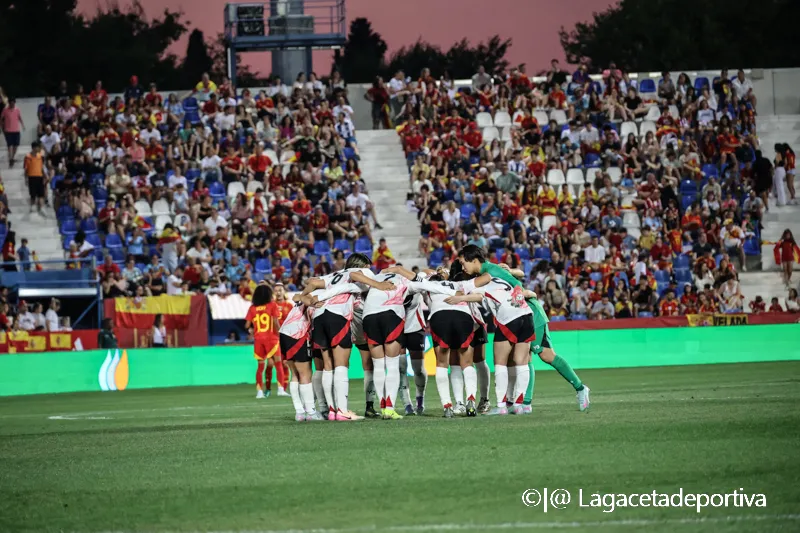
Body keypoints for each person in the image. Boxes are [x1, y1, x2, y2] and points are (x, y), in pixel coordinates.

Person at [459, 244, 590, 412]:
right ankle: (525, 403)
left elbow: (517, 282)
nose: (463, 267)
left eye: (463, 263)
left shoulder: (490, 269)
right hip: (518, 314)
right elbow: (517, 275)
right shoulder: (486, 272)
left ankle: (580, 388)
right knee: (525, 359)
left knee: (546, 355)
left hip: (531, 313)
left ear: (473, 259)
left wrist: (523, 291)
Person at [301, 253, 393, 421]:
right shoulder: (361, 274)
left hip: (321, 316)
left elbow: (311, 281)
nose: (369, 268)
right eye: (367, 266)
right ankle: (344, 410)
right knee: (344, 365)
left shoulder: (335, 275)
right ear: (362, 265)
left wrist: (303, 297)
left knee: (328, 365)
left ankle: (329, 409)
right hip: (343, 318)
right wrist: (379, 285)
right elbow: (355, 275)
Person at [279, 281, 363, 421]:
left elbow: (297, 297)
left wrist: (302, 297)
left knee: (295, 374)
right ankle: (311, 412)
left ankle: (300, 412)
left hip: (285, 332)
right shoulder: (319, 295)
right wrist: (310, 301)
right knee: (305, 374)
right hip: (298, 333)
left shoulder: (307, 294)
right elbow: (304, 300)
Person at [244, 284, 281, 399]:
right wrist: (281, 334)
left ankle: (259, 392)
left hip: (258, 340)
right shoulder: (272, 305)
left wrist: (252, 329)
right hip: (271, 338)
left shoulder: (252, 308)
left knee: (260, 367)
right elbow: (275, 322)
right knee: (278, 363)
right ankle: (281, 389)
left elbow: (247, 325)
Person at [0, 98, 24, 167]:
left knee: (16, 145)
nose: (12, 104)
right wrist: (1, 126)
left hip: (16, 130)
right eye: (11, 103)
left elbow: (19, 117)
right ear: (9, 103)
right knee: (10, 145)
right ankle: (11, 158)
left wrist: (22, 125)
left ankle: (12, 157)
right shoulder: (5, 110)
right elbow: (1, 119)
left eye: (13, 103)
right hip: (8, 130)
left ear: (14, 103)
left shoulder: (17, 110)